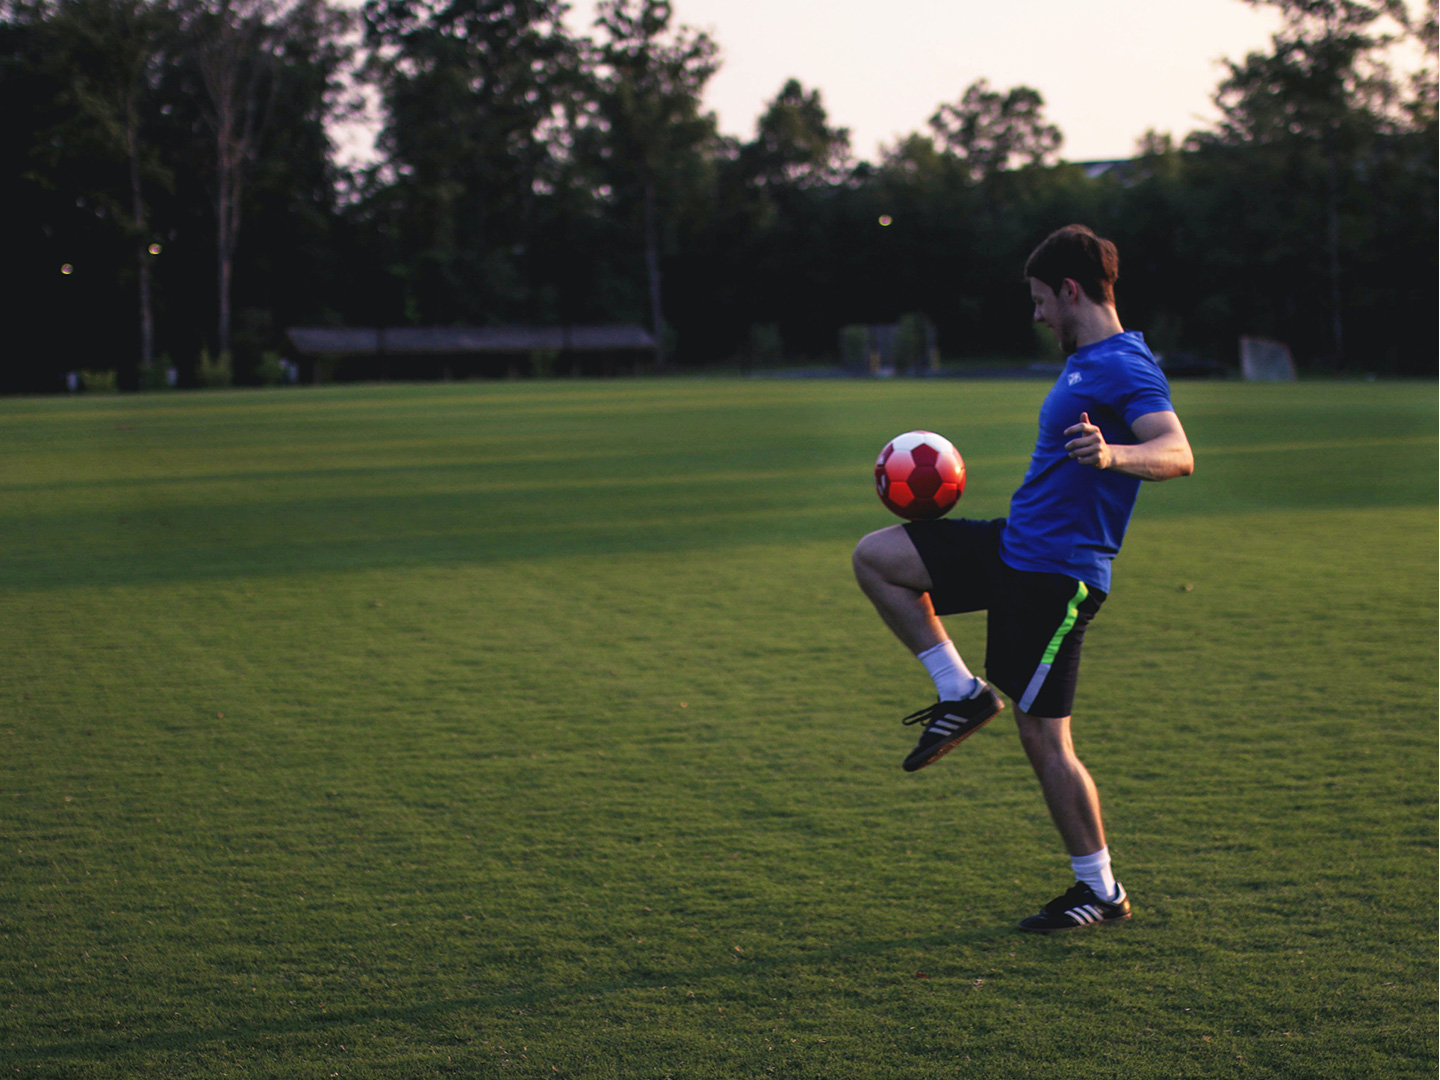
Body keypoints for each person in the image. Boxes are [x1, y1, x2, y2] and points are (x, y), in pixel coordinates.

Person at [852, 224, 1194, 932]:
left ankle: (1101, 891)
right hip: (1014, 546)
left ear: (1070, 291)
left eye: (1040, 299)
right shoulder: (1084, 362)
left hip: (1056, 577)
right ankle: (960, 692)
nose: (1036, 314)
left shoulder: (1126, 365)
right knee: (878, 558)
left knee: (1045, 739)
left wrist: (1114, 455)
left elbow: (1176, 451)